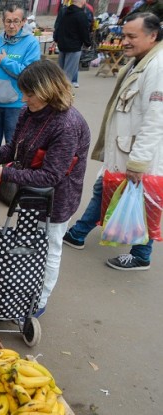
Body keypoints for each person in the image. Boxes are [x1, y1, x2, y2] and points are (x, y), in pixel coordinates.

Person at [0, 60, 91, 317]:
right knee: (28, 241)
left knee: (49, 247)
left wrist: (5, 173)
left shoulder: (67, 125)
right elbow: (14, 148)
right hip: (29, 193)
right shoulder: (29, 112)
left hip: (56, 199)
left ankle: (39, 300)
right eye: (23, 93)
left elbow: (51, 175)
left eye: (29, 94)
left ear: (49, 89)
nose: (24, 99)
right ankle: (21, 289)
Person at [64, 13, 163, 271]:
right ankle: (78, 233)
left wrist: (139, 163)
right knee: (103, 188)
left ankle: (142, 254)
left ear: (152, 36)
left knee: (141, 201)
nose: (124, 42)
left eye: (132, 36)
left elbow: (156, 119)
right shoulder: (141, 60)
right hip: (122, 149)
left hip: (139, 154)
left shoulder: (158, 67)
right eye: (124, 35)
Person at [0, 5, 40, 148]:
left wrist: (5, 61)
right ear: (3, 21)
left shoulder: (31, 43)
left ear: (23, 21)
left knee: (14, 146)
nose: (12, 25)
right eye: (8, 21)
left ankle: (8, 171)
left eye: (16, 21)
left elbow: (29, 74)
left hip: (17, 105)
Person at [54, 0, 92, 84]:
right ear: (82, 1)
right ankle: (64, 93)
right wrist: (87, 43)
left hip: (62, 45)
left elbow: (58, 26)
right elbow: (84, 31)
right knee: (68, 73)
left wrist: (56, 39)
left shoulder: (64, 12)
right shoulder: (81, 15)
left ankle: (58, 90)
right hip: (74, 47)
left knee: (60, 72)